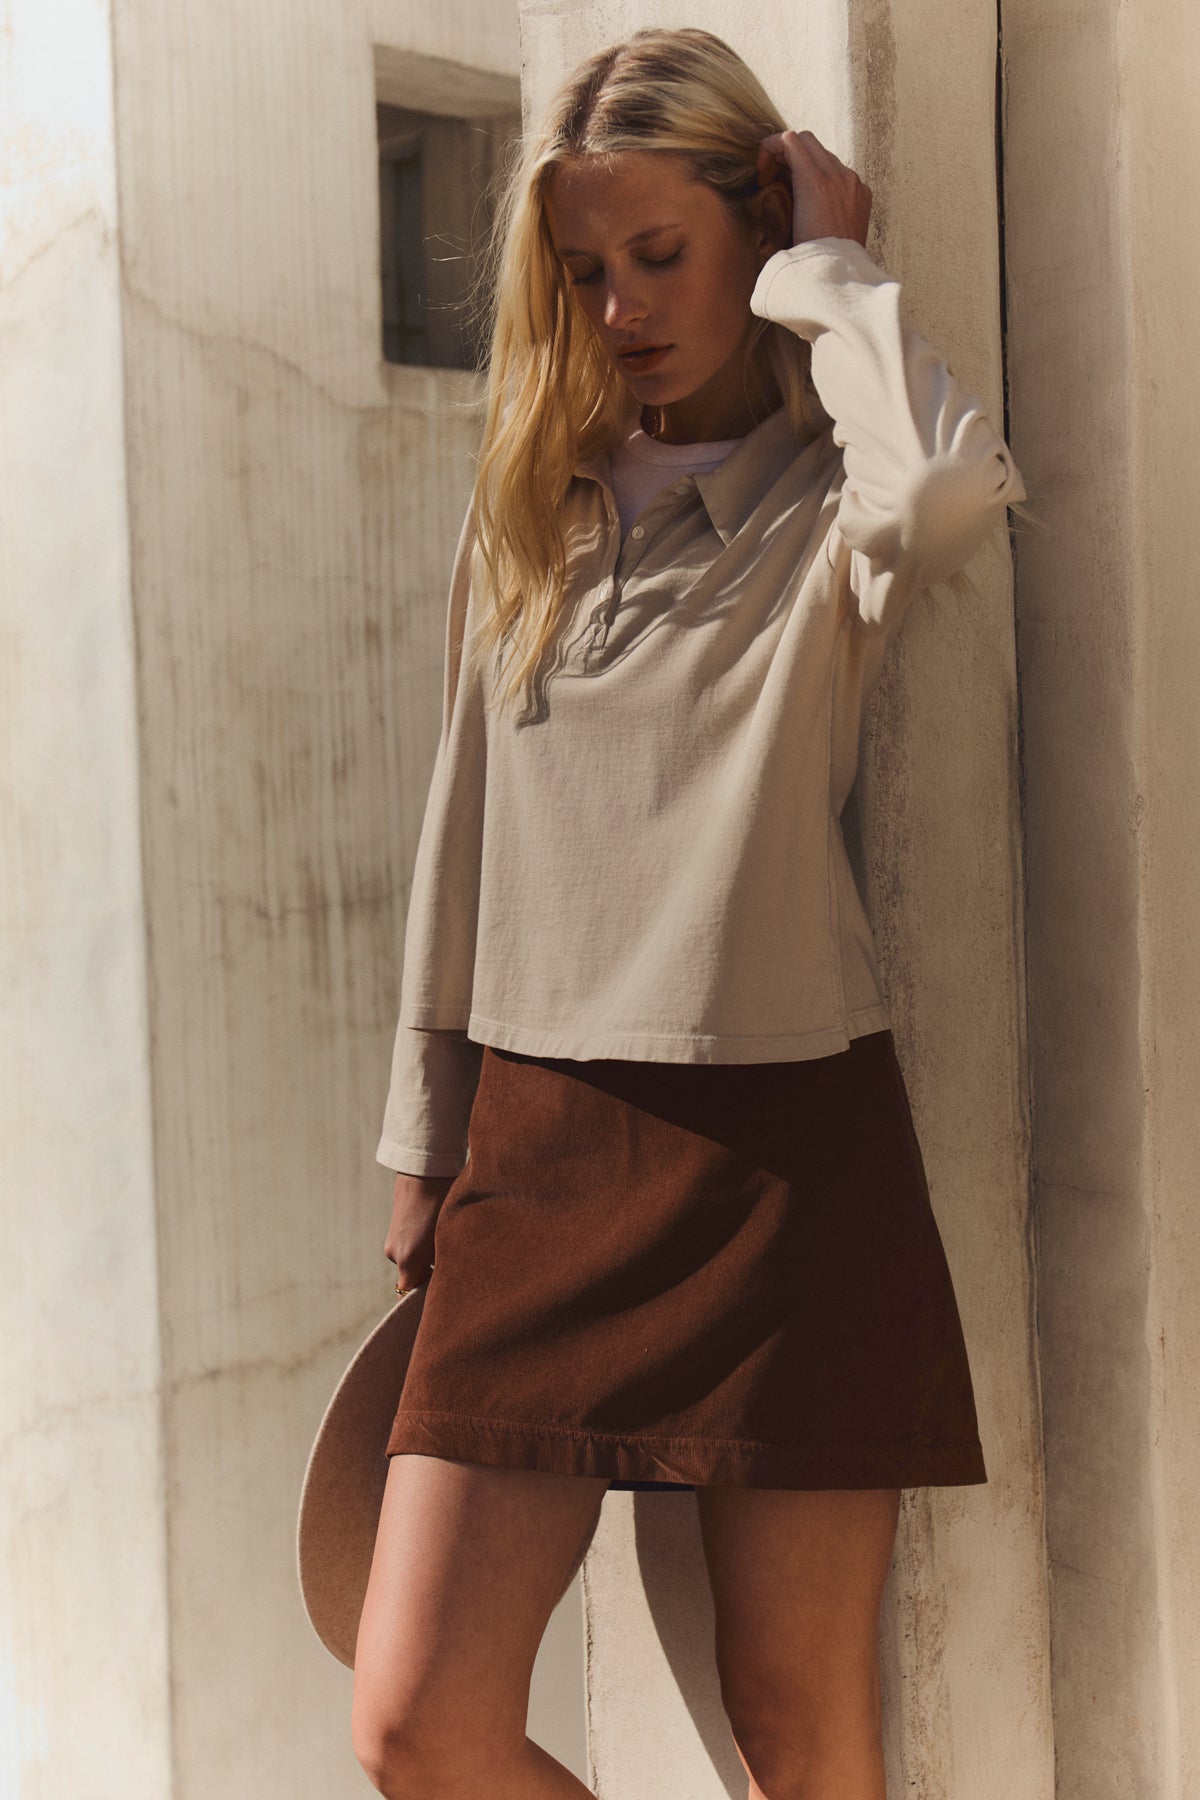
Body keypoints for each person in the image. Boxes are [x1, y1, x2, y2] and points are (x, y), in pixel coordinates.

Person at [351, 26, 1028, 1800]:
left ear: (747, 232)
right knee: (417, 1718)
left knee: (801, 1735)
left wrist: (837, 269)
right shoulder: (535, 515)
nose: (624, 304)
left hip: (786, 1149)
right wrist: (426, 1135)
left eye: (662, 253)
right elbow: (461, 847)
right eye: (586, 272)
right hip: (540, 1151)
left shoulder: (826, 514)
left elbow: (951, 496)